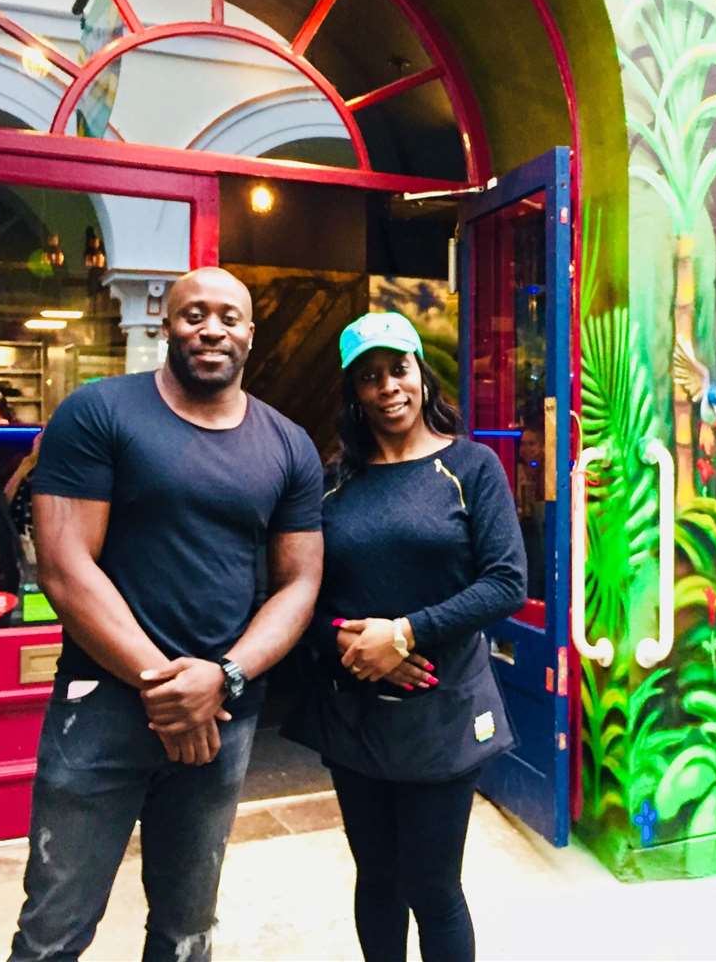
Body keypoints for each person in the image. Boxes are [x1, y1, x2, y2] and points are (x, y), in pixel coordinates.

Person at [10, 267, 324, 962]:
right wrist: (169, 690)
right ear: (165, 325)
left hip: (221, 715)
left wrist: (222, 680)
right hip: (104, 707)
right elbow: (65, 567)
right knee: (54, 929)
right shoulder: (98, 413)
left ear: (249, 332)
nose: (210, 328)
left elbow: (298, 584)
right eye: (193, 314)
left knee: (187, 929)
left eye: (228, 317)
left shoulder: (288, 444)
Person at [284, 311, 525, 962]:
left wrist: (407, 633)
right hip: (354, 707)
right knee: (377, 878)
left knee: (432, 885)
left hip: (442, 711)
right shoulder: (333, 482)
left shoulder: (470, 467)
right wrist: (347, 642)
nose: (387, 386)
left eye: (398, 369)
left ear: (421, 375)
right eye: (369, 376)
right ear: (353, 393)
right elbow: (301, 591)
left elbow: (505, 581)